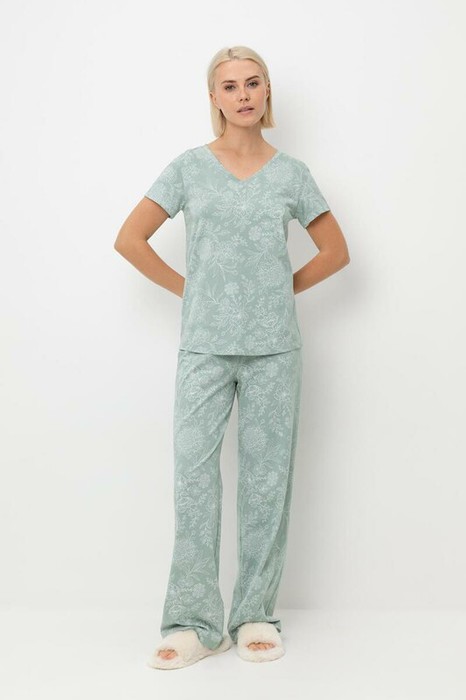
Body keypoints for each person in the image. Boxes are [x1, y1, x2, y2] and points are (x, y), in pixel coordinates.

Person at [114, 45, 350, 669]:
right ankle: (194, 623)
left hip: (275, 349)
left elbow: (335, 251)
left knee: (266, 483)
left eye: (252, 83)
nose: (242, 95)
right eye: (230, 86)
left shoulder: (292, 174)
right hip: (204, 347)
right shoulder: (189, 168)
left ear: (267, 92)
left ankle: (254, 614)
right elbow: (130, 239)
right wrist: (192, 291)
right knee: (194, 482)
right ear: (214, 98)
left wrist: (278, 291)